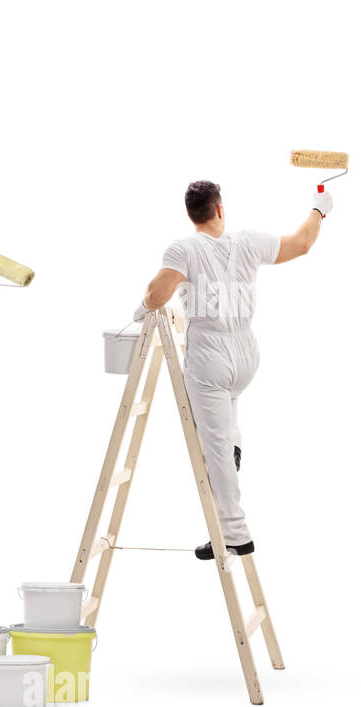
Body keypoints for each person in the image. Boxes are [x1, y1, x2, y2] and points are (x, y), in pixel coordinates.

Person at [134, 180, 331, 560]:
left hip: (210, 353)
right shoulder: (248, 242)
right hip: (246, 352)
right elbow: (302, 243)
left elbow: (158, 294)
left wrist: (144, 303)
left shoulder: (184, 248)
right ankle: (235, 445)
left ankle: (234, 532)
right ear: (219, 209)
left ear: (191, 214)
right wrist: (319, 208)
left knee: (215, 448)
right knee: (228, 415)